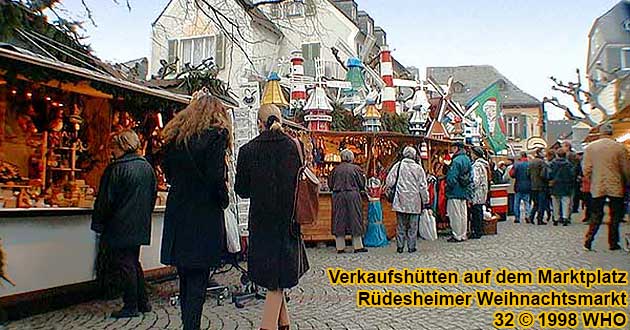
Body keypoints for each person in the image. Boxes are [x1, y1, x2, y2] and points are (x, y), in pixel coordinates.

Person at [160, 91, 231, 330]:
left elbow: (168, 173)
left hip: (179, 210)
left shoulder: (175, 138)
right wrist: (223, 199)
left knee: (185, 275)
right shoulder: (216, 136)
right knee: (199, 277)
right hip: (204, 212)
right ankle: (192, 325)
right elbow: (215, 177)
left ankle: (188, 323)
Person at [235, 104, 309, 330]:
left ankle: (268, 326)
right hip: (288, 221)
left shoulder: (247, 150)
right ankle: (283, 324)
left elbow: (242, 190)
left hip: (262, 221)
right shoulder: (294, 147)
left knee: (273, 278)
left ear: (259, 123)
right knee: (278, 276)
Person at [91, 129, 157, 318]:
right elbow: (152, 197)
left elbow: (106, 200)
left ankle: (131, 305)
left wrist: (99, 223)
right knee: (132, 262)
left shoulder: (116, 168)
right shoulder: (146, 167)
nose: (112, 150)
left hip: (119, 224)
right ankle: (142, 301)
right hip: (139, 222)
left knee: (125, 263)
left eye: (114, 146)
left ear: (121, 146)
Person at [583, 123, 630, 251]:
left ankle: (589, 238)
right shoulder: (620, 148)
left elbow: (586, 169)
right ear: (611, 133)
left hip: (598, 185)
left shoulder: (590, 148)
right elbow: (626, 169)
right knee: (615, 215)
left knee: (596, 214)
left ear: (600, 133)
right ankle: (613, 242)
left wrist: (590, 179)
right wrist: (626, 181)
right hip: (615, 184)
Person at [385, 146, 430, 252]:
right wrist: (426, 200)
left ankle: (400, 246)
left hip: (400, 198)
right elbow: (423, 186)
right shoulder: (418, 168)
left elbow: (389, 181)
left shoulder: (398, 166)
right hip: (415, 200)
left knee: (401, 224)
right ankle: (411, 246)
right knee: (413, 225)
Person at [328, 149, 368, 254]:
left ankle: (340, 247)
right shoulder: (356, 169)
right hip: (353, 195)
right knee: (355, 219)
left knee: (339, 219)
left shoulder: (335, 170)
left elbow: (330, 185)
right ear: (351, 158)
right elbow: (362, 184)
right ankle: (357, 246)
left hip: (338, 195)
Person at [445, 141, 472, 242]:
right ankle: (463, 234)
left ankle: (456, 235)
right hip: (464, 190)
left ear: (456, 148)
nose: (451, 149)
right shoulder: (467, 159)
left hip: (455, 191)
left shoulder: (456, 161)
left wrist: (449, 186)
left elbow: (452, 177)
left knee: (455, 214)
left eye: (453, 147)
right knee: (463, 214)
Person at [548, 149, 575, 226]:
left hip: (555, 185)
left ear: (557, 155)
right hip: (566, 185)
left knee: (555, 203)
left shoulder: (552, 164)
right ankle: (565, 218)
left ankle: (556, 219)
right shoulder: (568, 164)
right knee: (566, 202)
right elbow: (572, 175)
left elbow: (549, 174)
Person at [470, 146, 489, 239]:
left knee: (476, 212)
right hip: (483, 191)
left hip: (477, 192)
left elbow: (476, 180)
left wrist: (470, 187)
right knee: (479, 211)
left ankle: (477, 231)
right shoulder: (484, 164)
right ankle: (480, 230)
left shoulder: (477, 165)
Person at [510, 151, 532, 224]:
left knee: (516, 203)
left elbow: (512, 174)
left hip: (518, 185)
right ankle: (527, 215)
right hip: (528, 185)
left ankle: (517, 217)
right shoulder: (529, 164)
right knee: (527, 202)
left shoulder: (517, 165)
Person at [529, 149, 548, 225]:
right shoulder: (542, 162)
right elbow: (544, 174)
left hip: (533, 185)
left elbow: (528, 173)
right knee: (541, 203)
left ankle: (531, 217)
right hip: (541, 185)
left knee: (535, 203)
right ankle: (540, 219)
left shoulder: (531, 162)